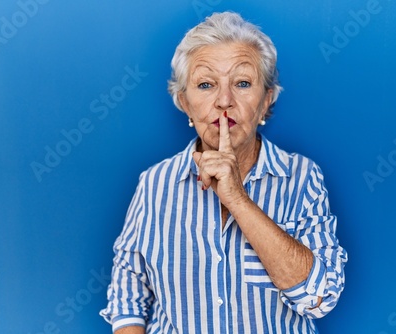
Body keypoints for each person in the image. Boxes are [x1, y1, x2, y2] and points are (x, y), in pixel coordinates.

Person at [100, 11, 347, 333]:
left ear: (267, 100)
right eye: (205, 85)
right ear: (184, 103)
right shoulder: (154, 183)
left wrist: (238, 199)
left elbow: (319, 298)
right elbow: (127, 297)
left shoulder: (300, 176)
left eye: (242, 83)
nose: (224, 101)